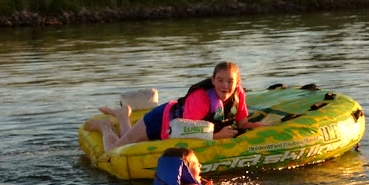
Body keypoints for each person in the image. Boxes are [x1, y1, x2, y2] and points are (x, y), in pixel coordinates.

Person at [85, 61, 249, 154]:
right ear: (212, 80)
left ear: (237, 83)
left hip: (172, 127)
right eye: (220, 80)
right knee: (115, 149)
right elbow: (183, 130)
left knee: (128, 138)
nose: (225, 85)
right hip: (161, 120)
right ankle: (105, 126)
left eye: (230, 81)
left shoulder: (239, 95)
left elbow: (242, 122)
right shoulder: (201, 99)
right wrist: (218, 136)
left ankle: (122, 115)